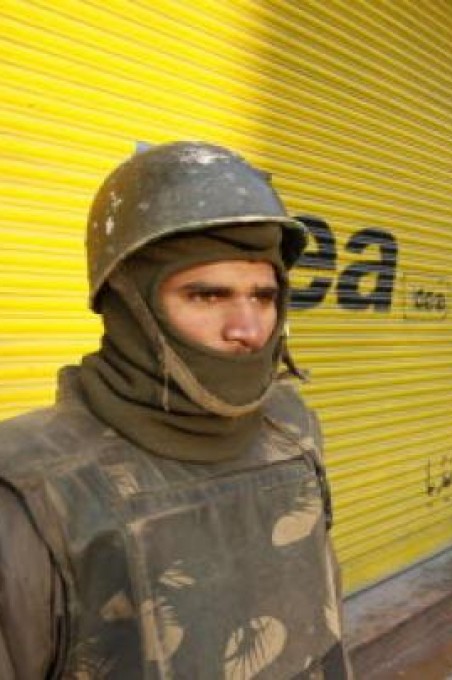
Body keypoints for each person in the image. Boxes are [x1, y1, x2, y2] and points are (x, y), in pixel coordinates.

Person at [0, 142, 352, 678]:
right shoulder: (30, 493)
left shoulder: (292, 429)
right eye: (206, 296)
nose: (249, 329)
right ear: (127, 303)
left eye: (263, 296)